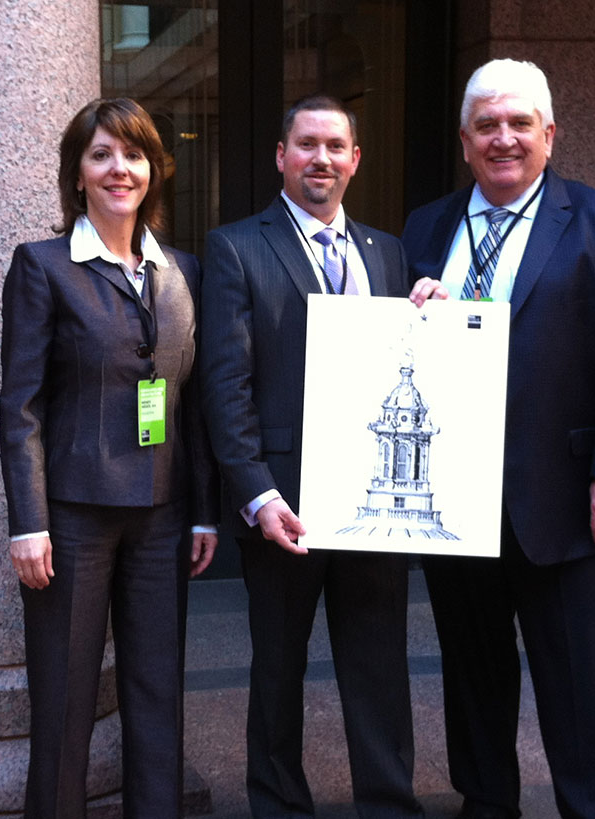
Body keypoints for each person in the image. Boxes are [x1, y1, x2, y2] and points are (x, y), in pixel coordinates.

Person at [406, 59, 595, 819]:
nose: (504, 138)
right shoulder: (426, 227)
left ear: (549, 135)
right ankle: (486, 805)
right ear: (464, 140)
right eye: (487, 124)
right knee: (474, 676)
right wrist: (417, 311)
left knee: (582, 685)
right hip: (458, 507)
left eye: (520, 123)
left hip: (567, 500)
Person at [198, 94, 424, 819]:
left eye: (335, 146)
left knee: (380, 663)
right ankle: (279, 804)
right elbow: (224, 387)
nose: (320, 158)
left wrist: (437, 316)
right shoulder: (235, 248)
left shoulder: (387, 251)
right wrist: (257, 494)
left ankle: (389, 802)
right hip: (283, 503)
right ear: (281, 156)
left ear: (355, 160)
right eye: (306, 144)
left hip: (373, 500)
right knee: (278, 668)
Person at [0, 97, 219, 819]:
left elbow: (194, 402)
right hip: (73, 520)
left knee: (158, 691)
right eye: (101, 154)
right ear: (78, 174)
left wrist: (205, 512)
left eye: (133, 154)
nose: (118, 168)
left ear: (156, 169)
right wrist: (27, 521)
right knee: (63, 698)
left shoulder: (182, 268)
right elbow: (20, 406)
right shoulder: (42, 266)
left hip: (162, 516)